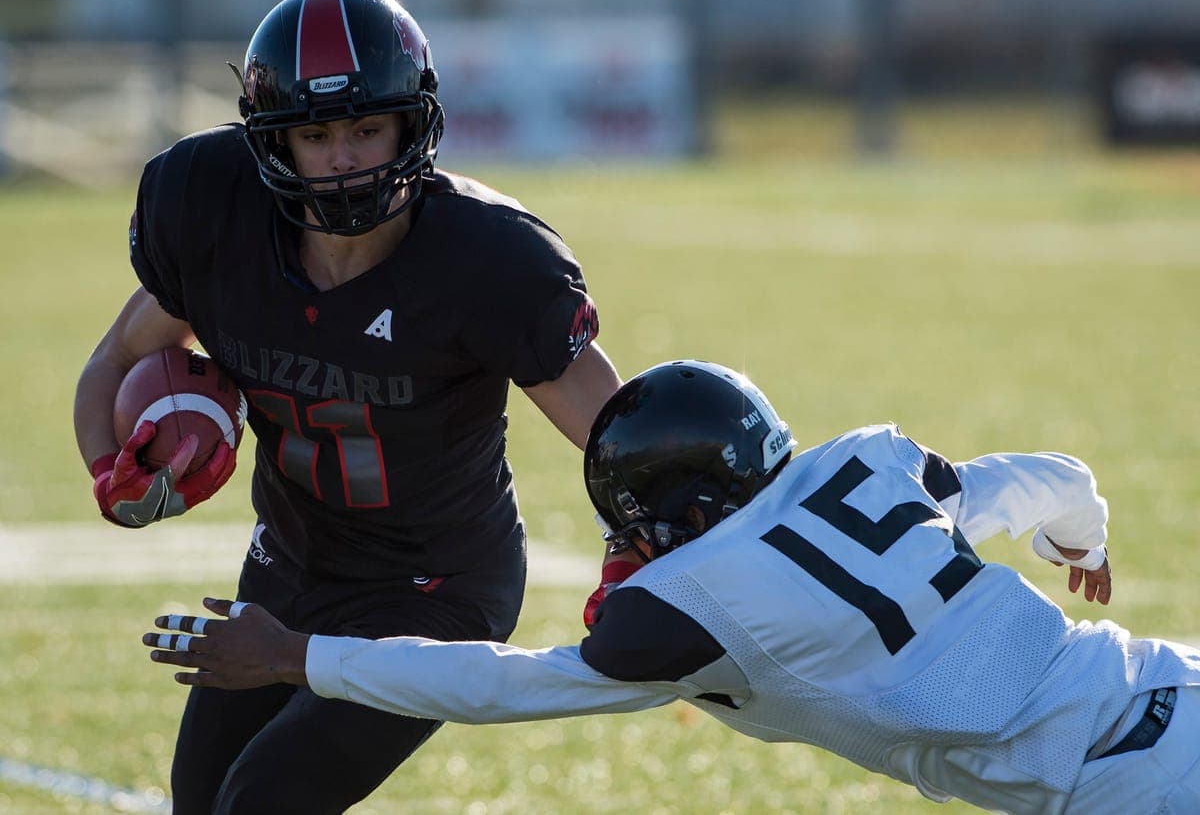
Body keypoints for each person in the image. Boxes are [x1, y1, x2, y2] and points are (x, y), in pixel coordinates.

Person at [144, 360, 1200, 814]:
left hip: (1120, 786)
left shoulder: (692, 596)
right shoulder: (869, 465)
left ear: (684, 512)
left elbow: (509, 684)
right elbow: (1050, 480)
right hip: (1168, 683)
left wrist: (297, 655)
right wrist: (1082, 540)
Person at [74, 0, 626, 814]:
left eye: (367, 128)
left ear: (412, 122)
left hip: (438, 586)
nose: (344, 157)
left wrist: (648, 547)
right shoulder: (216, 216)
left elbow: (618, 440)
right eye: (316, 133)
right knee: (202, 800)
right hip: (293, 563)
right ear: (273, 142)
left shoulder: (487, 260)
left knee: (265, 799)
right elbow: (115, 360)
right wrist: (114, 478)